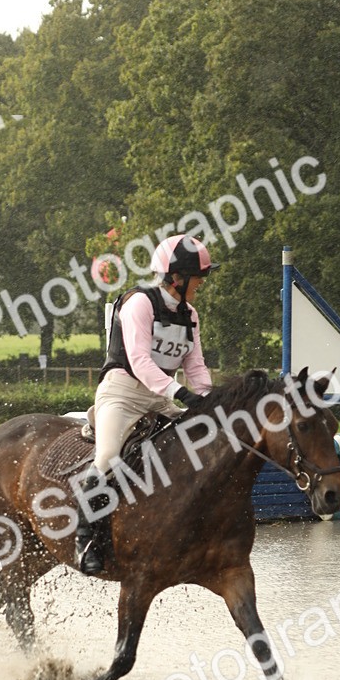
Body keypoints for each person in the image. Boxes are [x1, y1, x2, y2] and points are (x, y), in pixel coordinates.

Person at [74, 233, 219, 575]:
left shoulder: (190, 314)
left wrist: (210, 399)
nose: (201, 282)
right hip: (122, 392)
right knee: (108, 458)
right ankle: (85, 537)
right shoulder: (139, 303)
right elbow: (139, 361)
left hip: (161, 396)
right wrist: (181, 394)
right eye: (199, 276)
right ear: (177, 277)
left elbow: (195, 365)